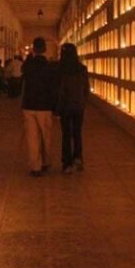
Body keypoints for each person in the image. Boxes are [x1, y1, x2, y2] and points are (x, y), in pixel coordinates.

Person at [21, 37, 57, 176]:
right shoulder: (50, 66)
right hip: (45, 106)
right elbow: (53, 87)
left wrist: (29, 56)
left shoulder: (29, 65)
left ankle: (35, 167)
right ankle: (46, 162)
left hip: (29, 105)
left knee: (32, 138)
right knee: (46, 136)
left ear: (34, 49)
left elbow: (24, 71)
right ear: (45, 49)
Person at [55, 43, 89, 174]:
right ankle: (78, 159)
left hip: (65, 106)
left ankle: (67, 163)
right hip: (78, 106)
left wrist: (57, 108)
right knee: (77, 132)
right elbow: (86, 88)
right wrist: (83, 103)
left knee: (66, 134)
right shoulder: (82, 69)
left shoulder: (60, 69)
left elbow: (59, 91)